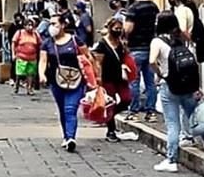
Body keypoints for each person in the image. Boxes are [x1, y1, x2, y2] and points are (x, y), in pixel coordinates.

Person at [150, 10, 204, 173]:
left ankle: (171, 159)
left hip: (169, 85)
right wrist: (196, 87)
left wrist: (160, 73)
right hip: (187, 85)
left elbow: (151, 61)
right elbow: (191, 63)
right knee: (193, 114)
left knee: (173, 124)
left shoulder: (157, 42)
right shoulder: (181, 39)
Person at [40, 13, 87, 152]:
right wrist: (41, 74)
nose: (51, 27)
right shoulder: (47, 43)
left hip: (76, 80)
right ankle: (66, 136)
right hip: (56, 81)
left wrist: (92, 77)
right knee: (62, 109)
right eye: (51, 24)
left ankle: (71, 137)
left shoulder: (75, 41)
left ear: (63, 25)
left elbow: (87, 57)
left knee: (70, 109)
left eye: (55, 24)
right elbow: (43, 61)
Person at [124, 0, 160, 122]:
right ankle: (151, 112)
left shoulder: (133, 8)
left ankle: (133, 111)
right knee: (150, 82)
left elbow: (128, 28)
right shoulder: (153, 6)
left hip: (136, 48)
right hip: (151, 48)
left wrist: (123, 35)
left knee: (134, 81)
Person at [91, 16, 132, 143]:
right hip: (107, 78)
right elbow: (98, 63)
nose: (118, 31)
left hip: (120, 77)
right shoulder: (102, 44)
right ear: (110, 29)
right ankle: (111, 130)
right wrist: (98, 78)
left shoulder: (121, 43)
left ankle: (110, 115)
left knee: (126, 99)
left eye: (120, 29)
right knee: (110, 102)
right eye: (116, 28)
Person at [12, 17, 42, 96]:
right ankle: (17, 85)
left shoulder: (35, 34)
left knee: (30, 73)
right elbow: (13, 43)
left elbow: (40, 44)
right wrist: (13, 54)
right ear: (24, 26)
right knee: (19, 73)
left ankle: (29, 88)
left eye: (31, 25)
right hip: (21, 56)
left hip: (32, 57)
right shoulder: (19, 33)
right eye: (28, 25)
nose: (30, 27)